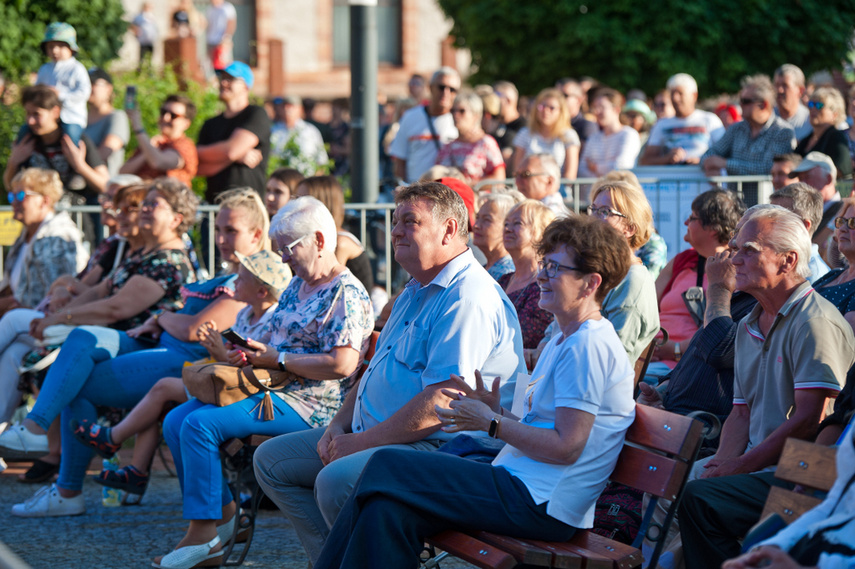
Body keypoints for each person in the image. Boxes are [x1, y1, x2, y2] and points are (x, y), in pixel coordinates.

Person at [311, 214, 636, 569]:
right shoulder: (565, 338)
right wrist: (498, 411)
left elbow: (566, 447)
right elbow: (549, 430)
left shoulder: (587, 347)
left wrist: (493, 422)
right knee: (386, 509)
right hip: (522, 485)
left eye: (556, 268)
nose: (542, 275)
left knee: (386, 464)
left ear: (591, 283)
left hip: (542, 503)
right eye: (545, 264)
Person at [252, 181, 526, 565]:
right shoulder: (417, 287)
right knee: (271, 461)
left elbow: (445, 401)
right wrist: (338, 427)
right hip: (379, 433)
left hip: (447, 448)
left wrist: (361, 443)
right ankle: (336, 559)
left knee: (334, 481)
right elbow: (373, 371)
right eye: (395, 221)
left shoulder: (468, 297)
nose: (395, 231)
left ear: (448, 230)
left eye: (409, 221)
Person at [2, 186, 282, 517]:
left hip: (190, 363)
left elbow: (195, 330)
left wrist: (162, 318)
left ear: (257, 235)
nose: (221, 238)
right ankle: (39, 434)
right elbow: (175, 319)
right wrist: (162, 321)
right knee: (81, 338)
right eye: (218, 230)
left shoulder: (249, 282)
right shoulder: (225, 276)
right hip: (165, 349)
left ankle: (65, 487)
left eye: (230, 231)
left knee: (74, 382)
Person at [150, 197, 374, 568]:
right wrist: (250, 352)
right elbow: (271, 339)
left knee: (199, 424)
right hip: (271, 386)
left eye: (287, 248)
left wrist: (279, 359)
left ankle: (206, 537)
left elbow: (342, 363)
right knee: (177, 420)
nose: (282, 259)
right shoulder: (297, 285)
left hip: (314, 403)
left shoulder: (344, 293)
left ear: (319, 240)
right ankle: (220, 519)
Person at [676, 206, 855, 569]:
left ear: (787, 261)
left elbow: (812, 421)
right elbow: (740, 413)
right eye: (736, 248)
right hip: (760, 464)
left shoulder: (815, 323)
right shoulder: (748, 324)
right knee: (677, 480)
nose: (734, 260)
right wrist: (726, 462)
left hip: (799, 470)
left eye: (749, 250)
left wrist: (738, 466)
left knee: (699, 496)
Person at [74, 249, 289, 494]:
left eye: (241, 279)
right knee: (163, 400)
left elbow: (253, 368)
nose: (235, 282)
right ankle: (135, 469)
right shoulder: (245, 314)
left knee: (164, 388)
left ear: (262, 292)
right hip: (225, 382)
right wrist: (219, 350)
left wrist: (219, 351)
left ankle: (113, 439)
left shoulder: (272, 322)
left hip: (243, 391)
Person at [650, 189, 745, 379]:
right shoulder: (681, 261)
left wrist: (676, 350)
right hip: (652, 358)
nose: (686, 222)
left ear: (713, 228)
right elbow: (647, 307)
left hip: (692, 367)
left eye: (692, 218)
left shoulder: (737, 268)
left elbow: (729, 335)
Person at [587, 181, 660, 363]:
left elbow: (616, 356)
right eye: (593, 209)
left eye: (604, 212)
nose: (593, 218)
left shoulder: (633, 279)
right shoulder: (594, 269)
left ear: (629, 228)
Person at [0, 169, 88, 316]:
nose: (14, 202)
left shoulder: (58, 236)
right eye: (11, 196)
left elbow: (58, 297)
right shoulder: (25, 235)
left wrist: (17, 310)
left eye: (21, 196)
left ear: (45, 200)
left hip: (40, 321)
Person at [4, 85, 109, 204]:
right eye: (28, 114)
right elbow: (10, 186)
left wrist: (80, 166)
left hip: (77, 216)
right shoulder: (27, 143)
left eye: (36, 114)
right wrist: (13, 162)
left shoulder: (76, 142)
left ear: (55, 112)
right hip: (41, 216)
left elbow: (105, 185)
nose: (30, 121)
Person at [196, 61, 270, 202]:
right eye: (222, 78)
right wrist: (236, 156)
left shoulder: (256, 114)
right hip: (214, 208)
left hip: (247, 205)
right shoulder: (210, 124)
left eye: (230, 79)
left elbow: (231, 151)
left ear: (246, 86)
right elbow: (197, 166)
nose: (224, 83)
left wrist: (230, 154)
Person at [702, 75, 796, 177]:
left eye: (745, 101)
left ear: (763, 105)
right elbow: (710, 154)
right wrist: (709, 166)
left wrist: (725, 164)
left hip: (766, 193)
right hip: (733, 193)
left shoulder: (783, 132)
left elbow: (769, 168)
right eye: (740, 100)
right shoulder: (736, 129)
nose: (740, 105)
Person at [294, 176, 374, 293]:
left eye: (302, 200)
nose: (296, 206)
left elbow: (327, 286)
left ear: (320, 204)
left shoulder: (341, 242)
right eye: (296, 199)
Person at [498, 200, 556, 350]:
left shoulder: (547, 284)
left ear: (540, 232)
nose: (508, 229)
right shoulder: (503, 281)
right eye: (506, 224)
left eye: (518, 223)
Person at [390, 67, 460, 182]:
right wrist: (405, 189)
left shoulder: (460, 118)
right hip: (416, 189)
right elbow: (400, 160)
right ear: (431, 87)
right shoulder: (410, 117)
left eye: (452, 89)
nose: (445, 93)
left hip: (448, 191)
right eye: (441, 87)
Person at [640, 73, 725, 165]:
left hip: (702, 177)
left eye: (680, 93)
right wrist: (667, 158)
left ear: (694, 96)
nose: (675, 98)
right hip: (669, 178)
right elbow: (645, 161)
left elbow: (725, 153)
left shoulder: (710, 120)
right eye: (672, 94)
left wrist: (702, 161)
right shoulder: (661, 124)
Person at [31, 23, 90, 145]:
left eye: (61, 46)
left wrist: (60, 95)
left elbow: (84, 92)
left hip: (71, 117)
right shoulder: (45, 69)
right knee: (26, 133)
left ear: (71, 48)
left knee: (70, 139)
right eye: (51, 46)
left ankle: (73, 162)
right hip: (47, 117)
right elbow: (37, 90)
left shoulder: (77, 69)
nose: (55, 50)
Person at [121, 94, 198, 186]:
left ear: (186, 123)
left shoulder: (185, 145)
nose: (166, 118)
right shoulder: (154, 143)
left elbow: (159, 162)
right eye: (163, 112)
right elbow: (122, 173)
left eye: (173, 116)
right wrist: (148, 150)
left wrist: (137, 126)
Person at [436, 91, 506, 185]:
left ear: (475, 116)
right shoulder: (448, 146)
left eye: (462, 111)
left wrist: (468, 184)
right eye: (453, 110)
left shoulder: (485, 143)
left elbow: (499, 179)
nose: (455, 115)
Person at [511, 88, 580, 180]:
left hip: (558, 190)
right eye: (542, 106)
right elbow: (517, 169)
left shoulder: (569, 135)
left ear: (561, 111)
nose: (546, 111)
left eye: (552, 108)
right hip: (528, 188)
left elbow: (570, 175)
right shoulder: (525, 133)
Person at [578, 88, 641, 181]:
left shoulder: (629, 135)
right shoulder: (594, 138)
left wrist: (595, 167)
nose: (597, 111)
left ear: (616, 109)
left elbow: (621, 167)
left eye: (601, 107)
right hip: (595, 192)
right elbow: (582, 169)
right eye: (595, 107)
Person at [795, 86, 852, 179]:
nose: (813, 109)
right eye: (810, 104)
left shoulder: (837, 138)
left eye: (819, 105)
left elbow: (843, 170)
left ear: (835, 114)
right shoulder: (806, 139)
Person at [84, 68, 129, 177]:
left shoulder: (117, 117)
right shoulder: (80, 118)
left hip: (104, 186)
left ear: (109, 88)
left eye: (94, 83)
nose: (89, 87)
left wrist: (76, 163)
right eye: (86, 83)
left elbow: (105, 152)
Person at [270, 95, 330, 177]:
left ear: (300, 109)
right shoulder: (274, 131)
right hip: (281, 181)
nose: (287, 110)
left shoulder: (310, 131)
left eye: (291, 106)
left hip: (306, 180)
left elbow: (322, 160)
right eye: (285, 106)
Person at [473, 192, 524, 281]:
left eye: (487, 219)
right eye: (477, 218)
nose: (476, 225)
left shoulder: (508, 273)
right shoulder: (485, 268)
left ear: (507, 226)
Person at [774, 63, 812, 141]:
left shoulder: (809, 122)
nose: (779, 90)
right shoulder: (767, 119)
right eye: (777, 85)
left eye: (785, 85)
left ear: (801, 90)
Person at [492, 80, 527, 163]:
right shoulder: (493, 124)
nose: (492, 102)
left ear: (508, 100)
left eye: (495, 97)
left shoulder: (524, 127)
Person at [556, 78, 598, 146]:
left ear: (578, 100)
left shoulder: (586, 126)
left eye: (564, 96)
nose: (558, 99)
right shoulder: (548, 124)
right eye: (556, 95)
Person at [206, 0, 236, 72]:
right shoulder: (210, 9)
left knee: (224, 64)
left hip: (222, 41)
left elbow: (231, 23)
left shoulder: (227, 7)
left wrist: (226, 38)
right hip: (211, 40)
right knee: (211, 65)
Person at [132, 2, 159, 66]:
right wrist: (136, 32)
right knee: (142, 56)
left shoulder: (152, 16)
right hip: (143, 40)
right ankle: (140, 70)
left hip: (151, 40)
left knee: (150, 57)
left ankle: (149, 71)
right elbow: (133, 25)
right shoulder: (139, 17)